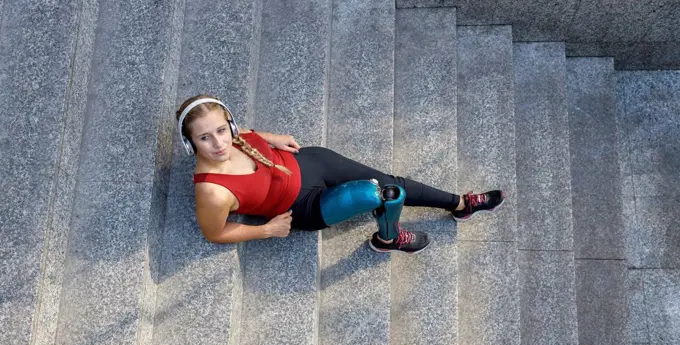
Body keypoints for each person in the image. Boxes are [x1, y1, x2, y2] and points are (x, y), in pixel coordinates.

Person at [176, 95, 505, 254]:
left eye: (222, 130)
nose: (219, 143)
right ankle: (387, 240)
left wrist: (272, 138)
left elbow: (244, 132)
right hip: (303, 206)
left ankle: (461, 204)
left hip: (310, 163)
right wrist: (266, 231)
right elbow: (215, 233)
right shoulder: (212, 191)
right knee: (378, 195)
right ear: (190, 144)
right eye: (205, 138)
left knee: (393, 183)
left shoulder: (233, 134)